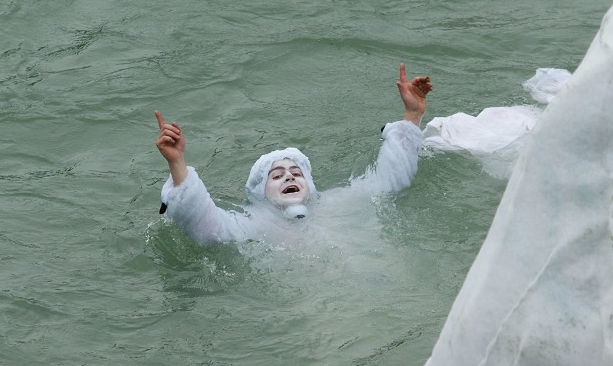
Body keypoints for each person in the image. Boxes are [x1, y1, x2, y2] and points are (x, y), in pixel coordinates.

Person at [154, 63, 432, 245]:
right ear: (260, 194)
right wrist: (177, 162)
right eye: (277, 175)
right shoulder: (253, 225)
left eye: (297, 173)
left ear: (310, 185)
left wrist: (412, 115)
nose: (289, 176)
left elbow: (389, 179)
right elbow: (208, 229)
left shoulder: (337, 203)